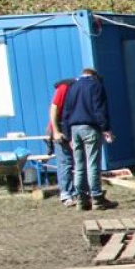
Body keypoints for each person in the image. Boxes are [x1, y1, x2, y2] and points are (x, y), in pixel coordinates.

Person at [61, 67, 118, 209]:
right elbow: (99, 109)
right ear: (94, 75)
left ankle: (81, 199)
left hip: (74, 129)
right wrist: (106, 128)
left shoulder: (72, 87)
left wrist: (68, 135)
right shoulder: (96, 86)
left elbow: (66, 112)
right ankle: (97, 198)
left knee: (79, 166)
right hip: (90, 128)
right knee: (93, 164)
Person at [47, 78, 77, 207]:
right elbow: (54, 108)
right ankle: (66, 193)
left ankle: (78, 192)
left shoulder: (83, 87)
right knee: (65, 162)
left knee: (78, 163)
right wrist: (55, 131)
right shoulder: (65, 87)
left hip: (74, 129)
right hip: (60, 129)